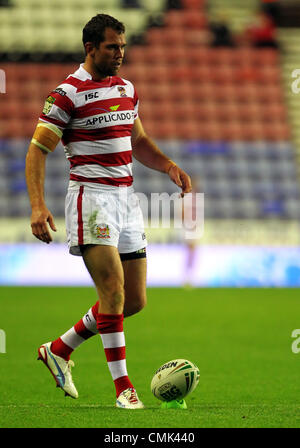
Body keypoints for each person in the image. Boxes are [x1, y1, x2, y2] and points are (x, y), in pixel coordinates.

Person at [25, 14, 191, 409]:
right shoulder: (67, 94)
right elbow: (37, 150)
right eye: (112, 47)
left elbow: (139, 140)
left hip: (127, 200)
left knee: (133, 300)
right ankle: (124, 391)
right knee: (113, 291)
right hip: (91, 199)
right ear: (90, 48)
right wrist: (37, 204)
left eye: (122, 47)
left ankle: (59, 349)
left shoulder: (126, 89)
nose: (119, 54)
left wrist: (168, 165)